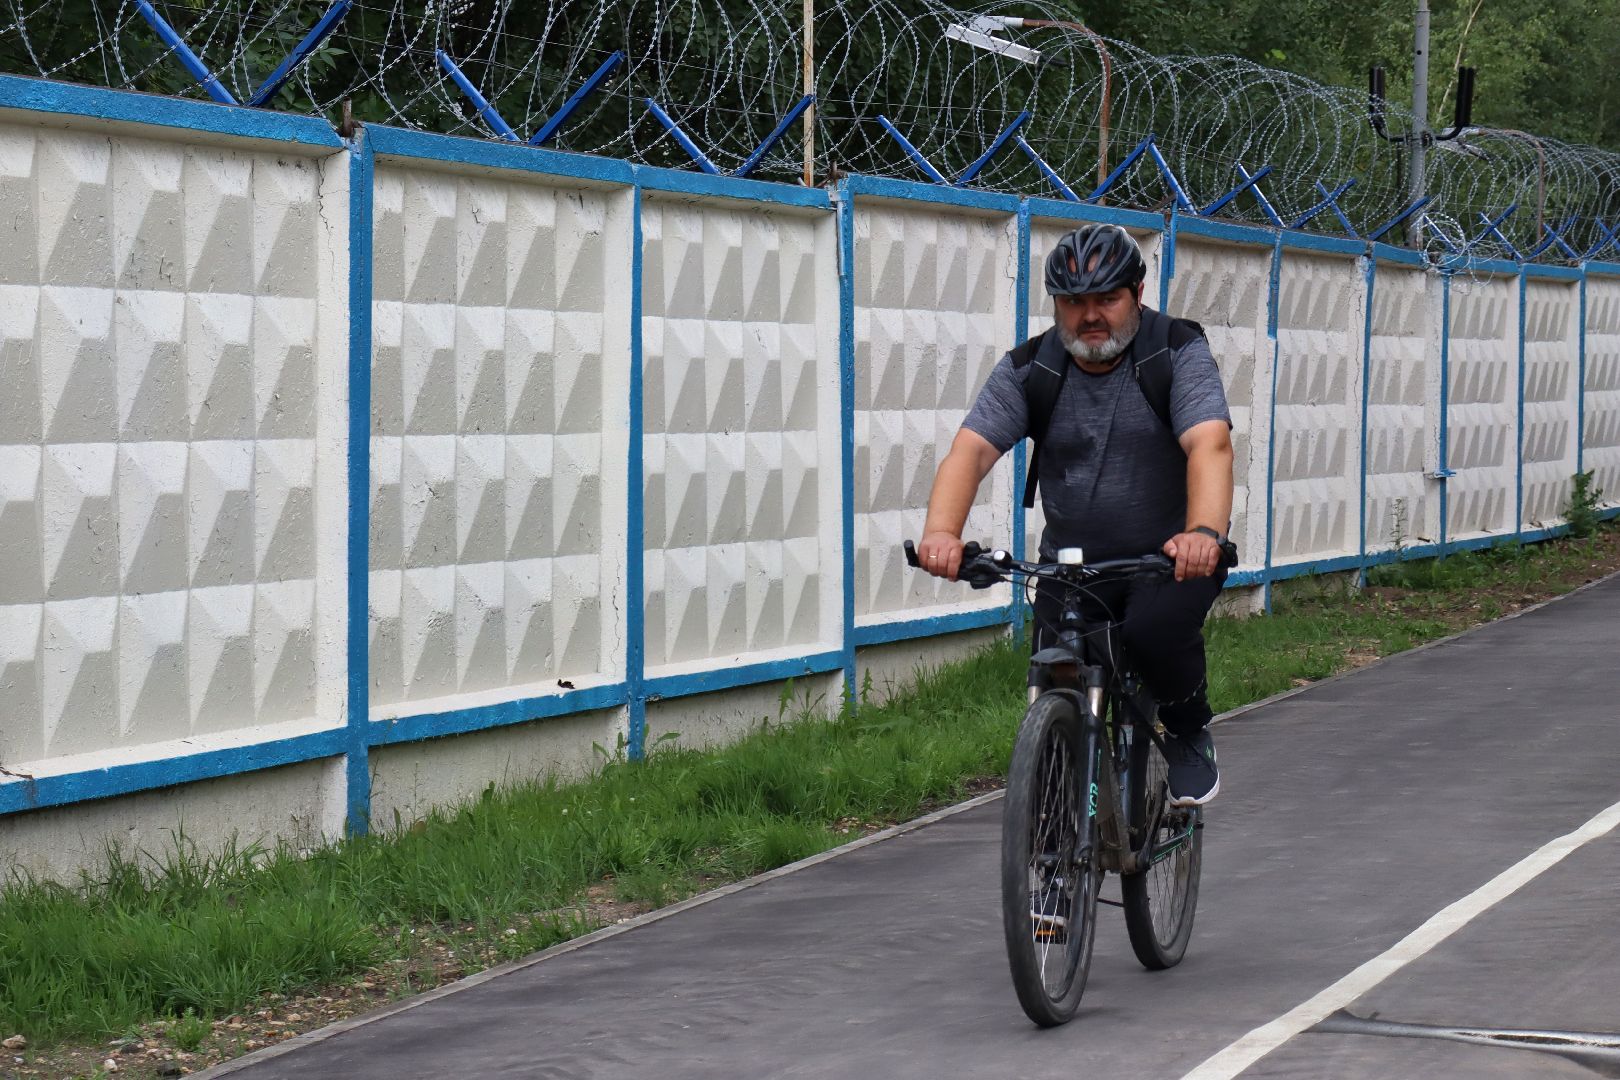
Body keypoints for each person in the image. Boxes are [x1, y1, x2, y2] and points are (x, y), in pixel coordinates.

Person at [915, 223, 1235, 806]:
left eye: (1106, 300)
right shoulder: (1033, 368)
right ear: (1056, 305)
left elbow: (1208, 444)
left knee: (1154, 631)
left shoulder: (1176, 352)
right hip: (1073, 567)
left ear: (1136, 295)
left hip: (1168, 561)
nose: (1091, 316)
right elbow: (972, 450)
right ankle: (1056, 853)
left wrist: (1203, 533)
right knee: (1054, 674)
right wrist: (942, 532)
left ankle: (1189, 730)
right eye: (1074, 302)